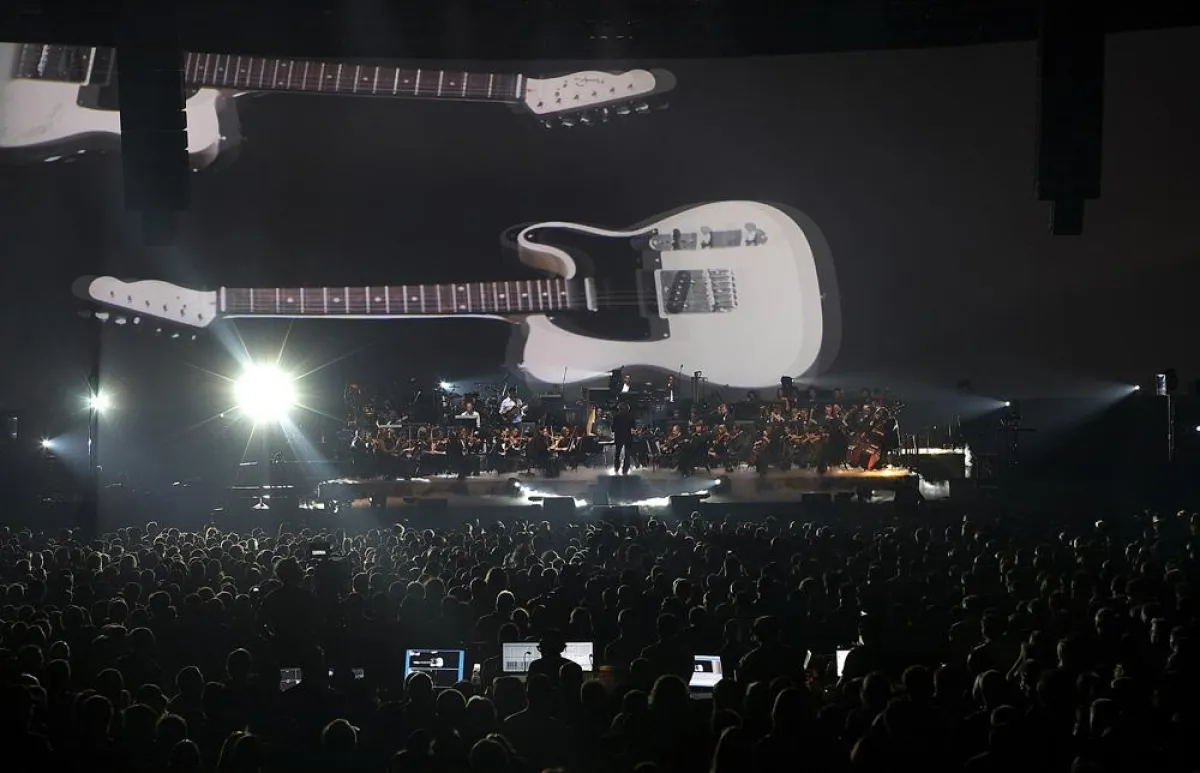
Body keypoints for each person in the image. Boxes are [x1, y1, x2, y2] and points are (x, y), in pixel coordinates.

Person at [611, 402, 636, 475]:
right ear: (628, 409)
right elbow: (634, 428)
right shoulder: (631, 418)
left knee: (617, 453)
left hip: (618, 437)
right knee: (627, 454)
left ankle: (616, 467)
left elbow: (612, 428)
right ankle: (625, 469)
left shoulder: (616, 417)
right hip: (628, 437)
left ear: (619, 409)